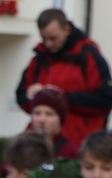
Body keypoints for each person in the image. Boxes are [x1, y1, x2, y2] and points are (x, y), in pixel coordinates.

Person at [16, 8, 112, 150]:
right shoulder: (38, 59)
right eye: (44, 39)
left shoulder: (88, 56)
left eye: (53, 38)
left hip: (80, 143)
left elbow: (105, 99)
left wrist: (61, 97)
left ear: (66, 29)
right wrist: (33, 97)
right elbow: (21, 96)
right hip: (42, 145)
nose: (48, 44)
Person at [28, 87, 77, 159]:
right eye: (37, 113)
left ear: (60, 119)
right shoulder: (21, 149)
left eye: (49, 114)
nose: (42, 120)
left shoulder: (71, 154)